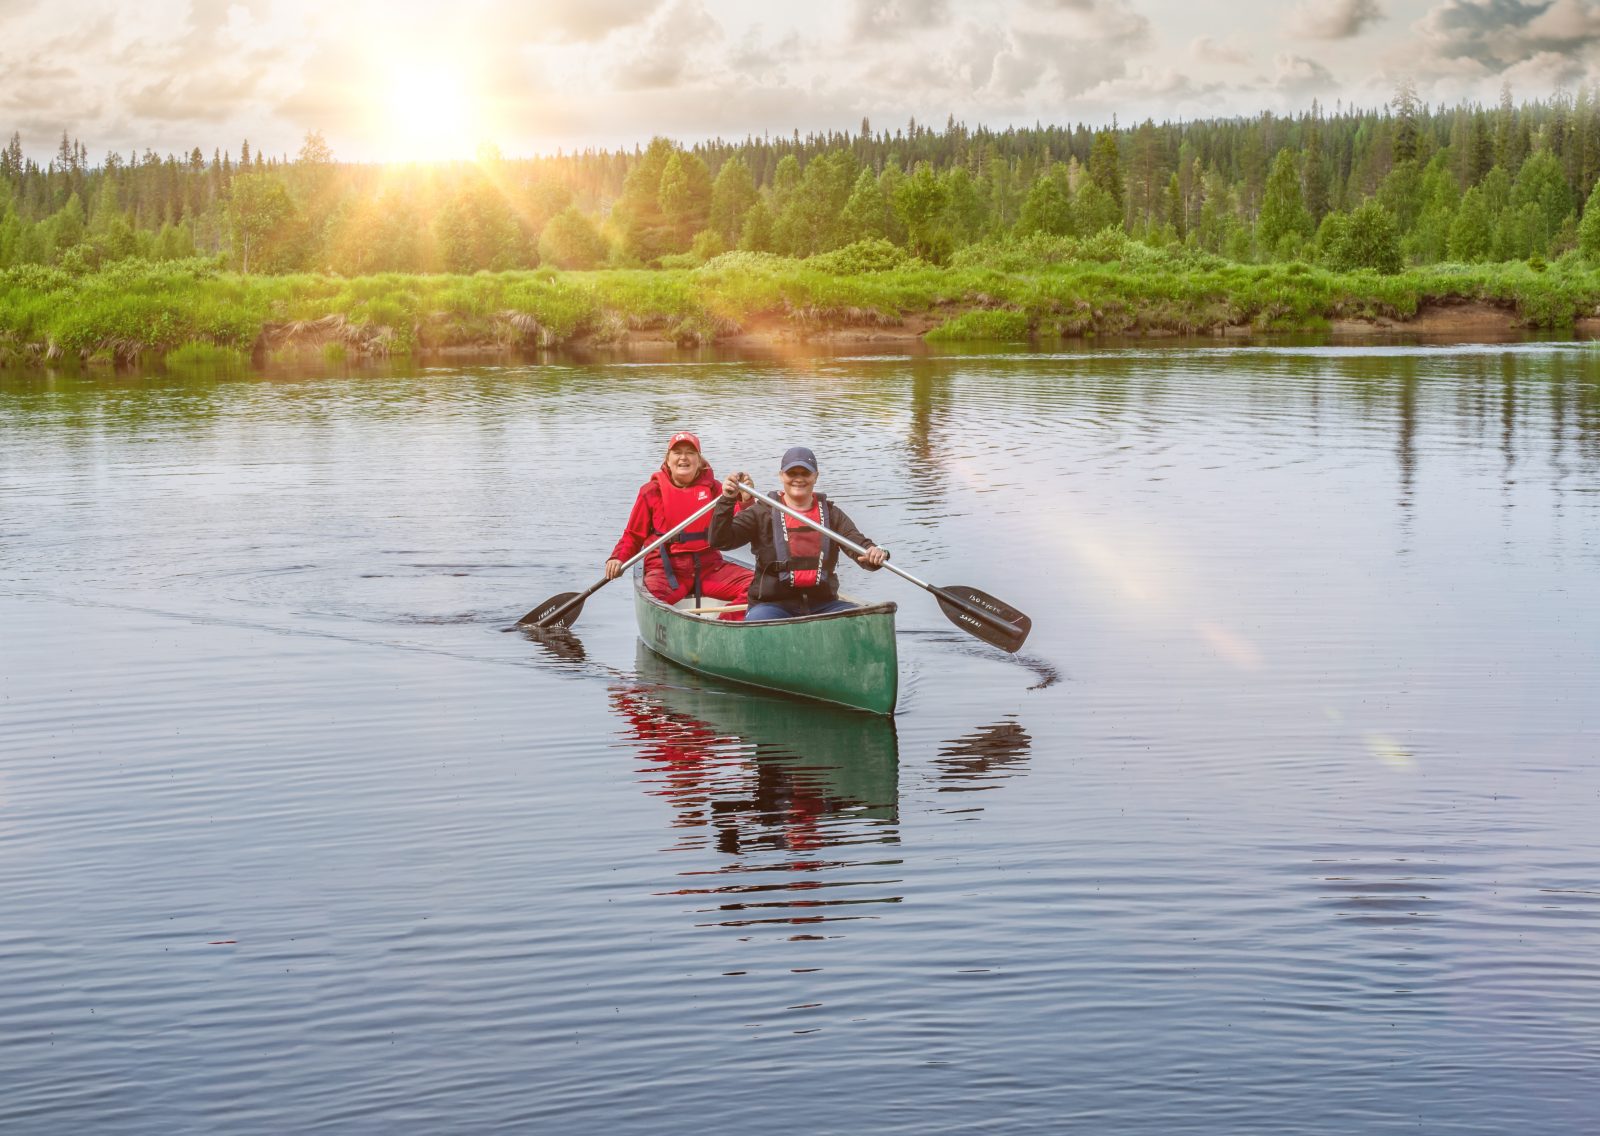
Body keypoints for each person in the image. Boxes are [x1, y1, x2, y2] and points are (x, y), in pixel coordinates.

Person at [709, 445, 889, 622]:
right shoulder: (762, 512)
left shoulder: (832, 514)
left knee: (865, 621)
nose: (798, 479)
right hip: (772, 605)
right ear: (781, 476)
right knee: (760, 620)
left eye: (805, 473)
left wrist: (878, 552)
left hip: (823, 604)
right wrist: (728, 500)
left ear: (815, 476)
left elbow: (860, 547)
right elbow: (720, 541)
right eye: (792, 473)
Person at [608, 432, 753, 613]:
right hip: (666, 570)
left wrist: (745, 500)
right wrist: (618, 558)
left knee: (758, 587)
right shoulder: (651, 492)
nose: (683, 457)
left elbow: (740, 523)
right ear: (668, 460)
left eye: (690, 453)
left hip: (709, 567)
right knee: (654, 602)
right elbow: (633, 535)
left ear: (699, 461)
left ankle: (725, 622)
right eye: (677, 452)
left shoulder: (715, 490)